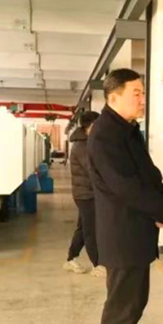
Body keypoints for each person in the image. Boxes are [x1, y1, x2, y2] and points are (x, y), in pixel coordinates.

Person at [87, 68, 163, 324]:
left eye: (143, 92)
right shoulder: (105, 135)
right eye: (136, 93)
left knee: (134, 304)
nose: (142, 99)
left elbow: (149, 175)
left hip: (137, 233)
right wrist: (161, 209)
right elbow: (124, 186)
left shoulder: (127, 130)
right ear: (114, 97)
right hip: (121, 234)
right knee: (120, 310)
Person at [65, 111, 103, 277]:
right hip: (86, 194)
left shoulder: (89, 142)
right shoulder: (82, 146)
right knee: (90, 230)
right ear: (90, 126)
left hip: (87, 193)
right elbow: (92, 170)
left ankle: (71, 259)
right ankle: (97, 264)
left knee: (83, 228)